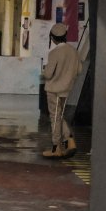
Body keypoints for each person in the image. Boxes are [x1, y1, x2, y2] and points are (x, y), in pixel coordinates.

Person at [42, 23, 80, 159]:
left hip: (54, 90)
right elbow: (79, 70)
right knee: (59, 115)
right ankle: (69, 141)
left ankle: (56, 148)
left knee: (55, 117)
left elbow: (47, 74)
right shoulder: (73, 51)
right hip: (67, 89)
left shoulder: (54, 52)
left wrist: (43, 70)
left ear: (52, 38)